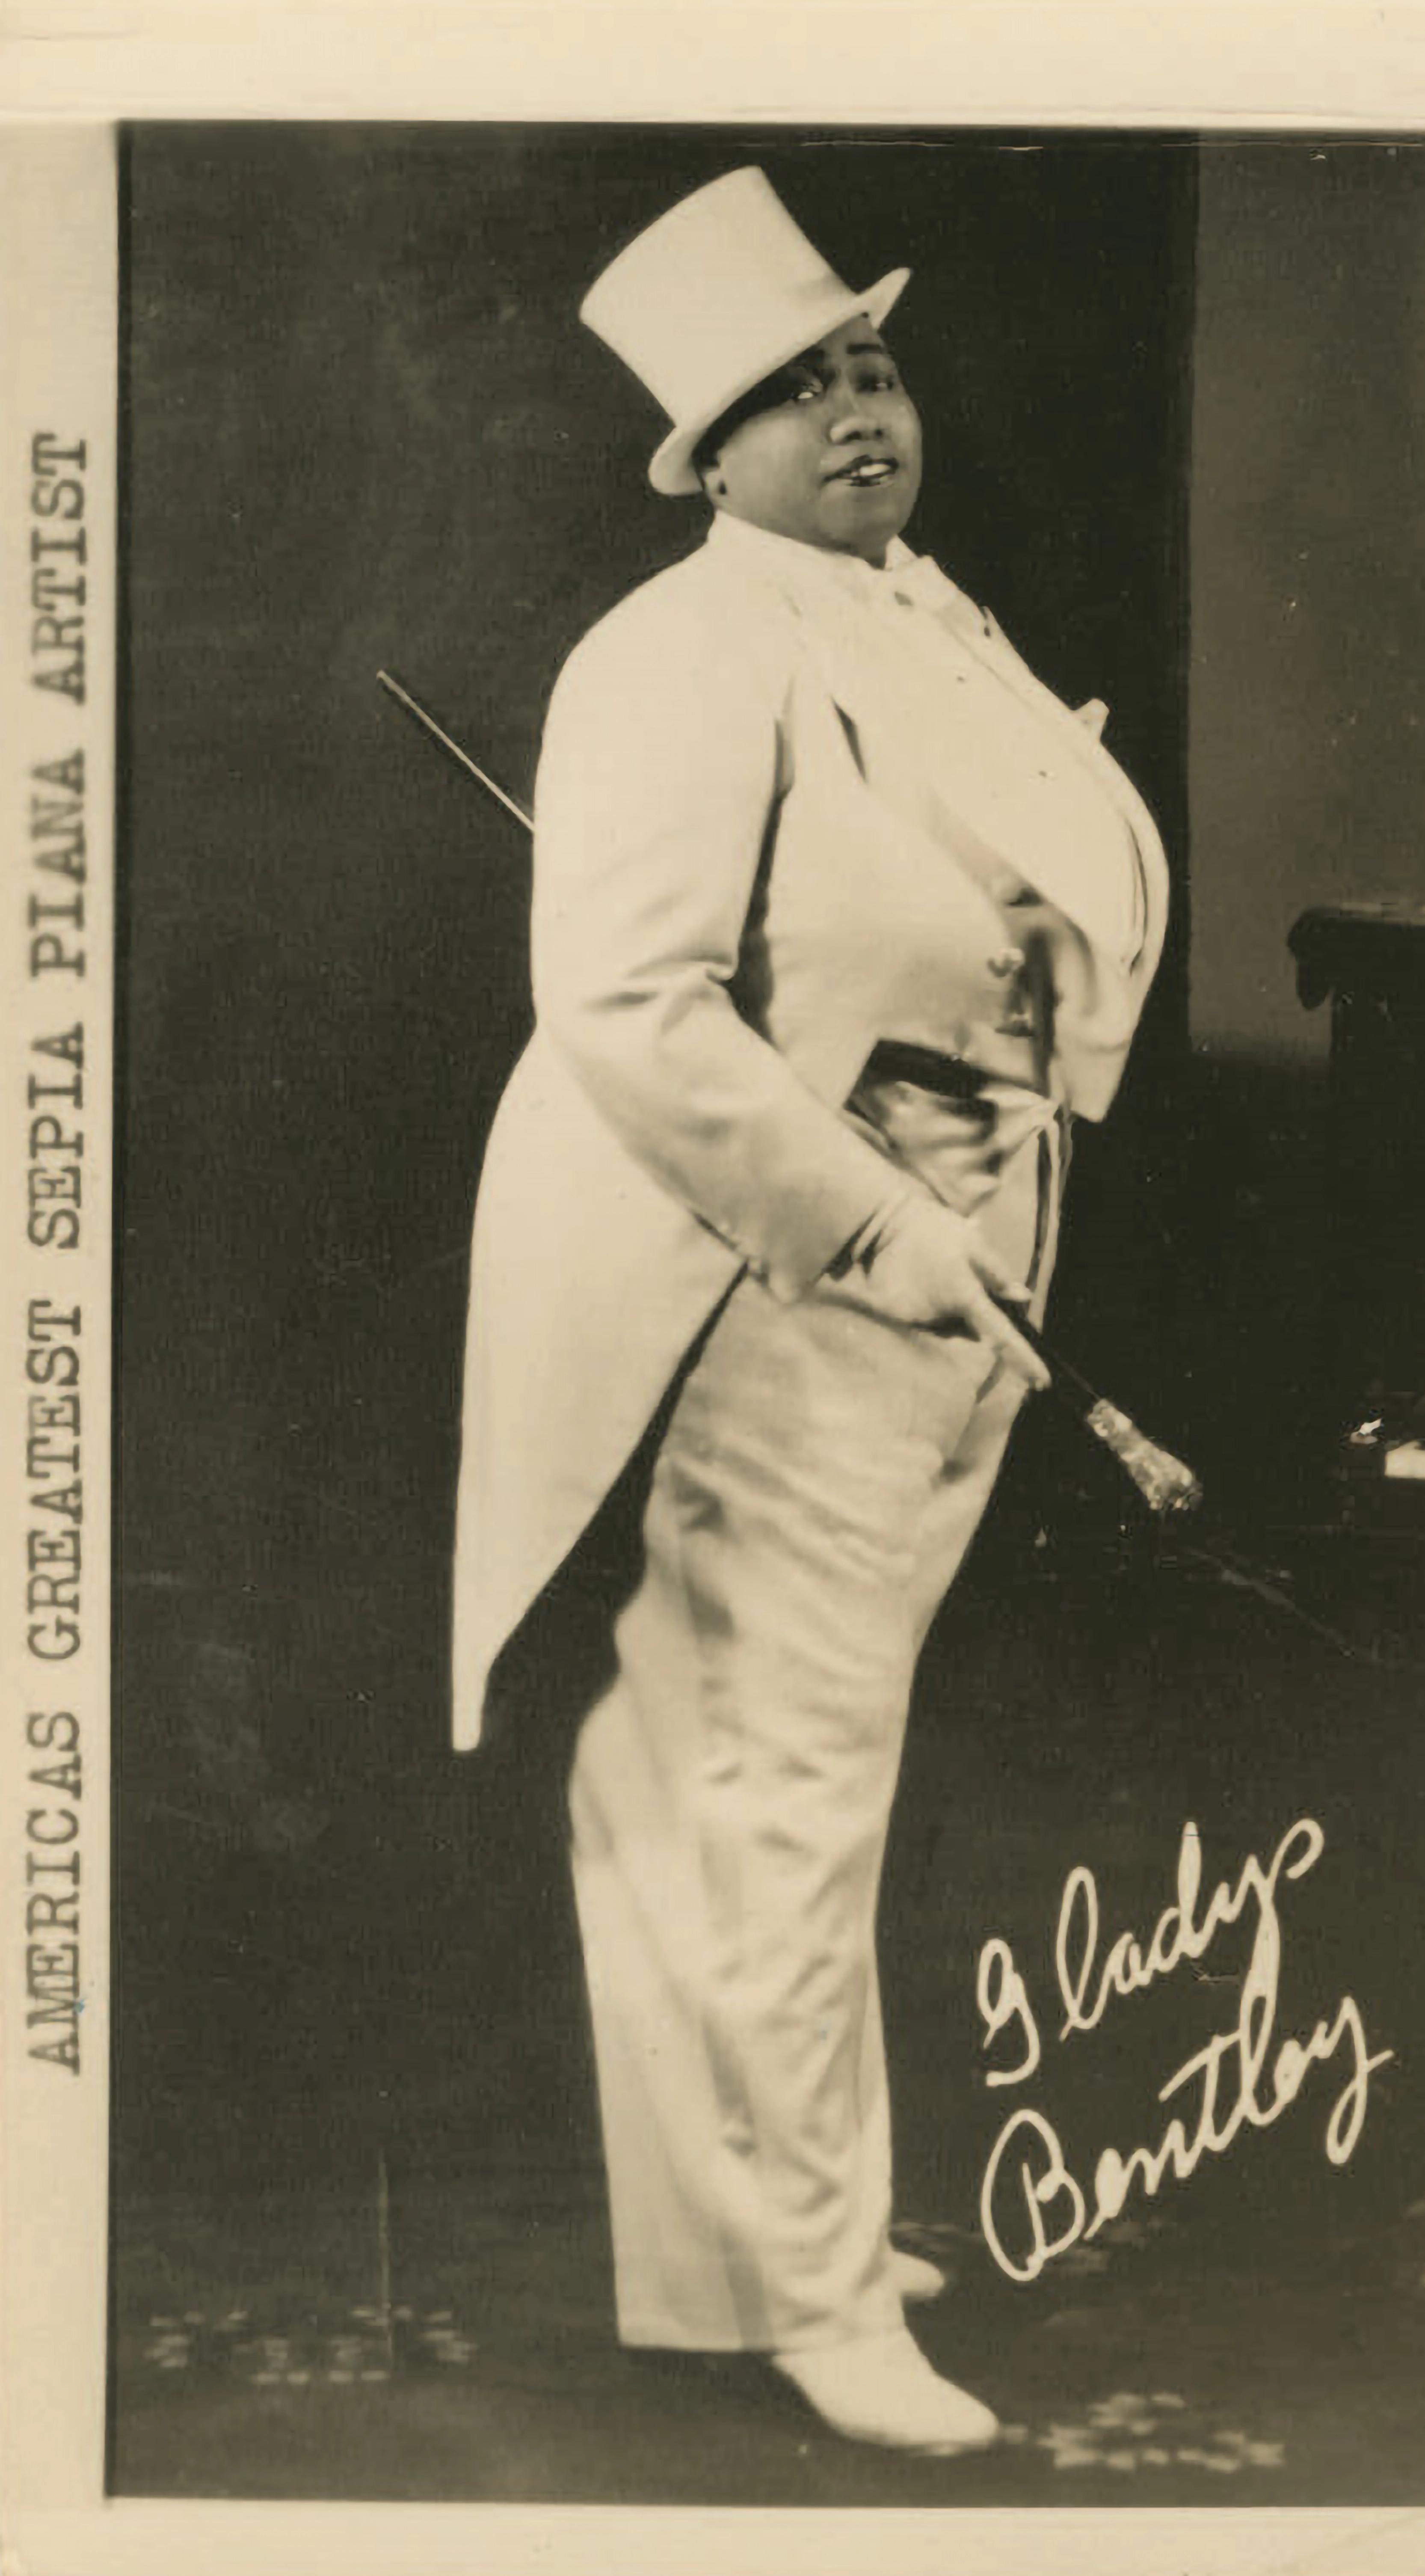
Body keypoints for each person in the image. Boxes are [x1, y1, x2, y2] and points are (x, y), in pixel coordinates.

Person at [451, 166, 1169, 2454]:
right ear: (709, 450)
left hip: (966, 1229)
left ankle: (771, 2229)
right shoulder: (677, 651)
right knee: (760, 1761)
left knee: (784, 1755)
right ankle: (800, 2285)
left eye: (866, 363)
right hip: (766, 1265)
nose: (853, 409)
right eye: (790, 388)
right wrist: (873, 1225)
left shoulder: (907, 611)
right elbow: (631, 1009)